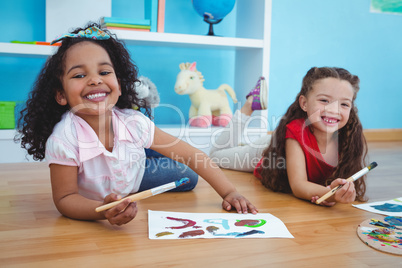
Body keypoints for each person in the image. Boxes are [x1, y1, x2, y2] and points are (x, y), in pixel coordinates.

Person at [17, 23, 257, 226]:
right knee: (186, 175)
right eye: (79, 75)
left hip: (133, 163)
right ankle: (145, 148)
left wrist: (230, 192)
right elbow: (65, 198)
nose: (94, 80)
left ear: (119, 86)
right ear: (60, 95)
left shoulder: (133, 122)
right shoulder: (63, 140)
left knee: (187, 171)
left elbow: (192, 155)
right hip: (131, 177)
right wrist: (101, 210)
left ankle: (146, 147)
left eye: (104, 72)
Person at [210, 67, 368, 206]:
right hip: (265, 151)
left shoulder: (349, 137)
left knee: (233, 149)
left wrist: (339, 191)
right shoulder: (296, 130)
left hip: (282, 145)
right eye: (324, 100)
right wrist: (331, 194)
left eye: (344, 104)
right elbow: (299, 185)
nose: (334, 110)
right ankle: (250, 104)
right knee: (216, 157)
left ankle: (242, 144)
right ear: (304, 103)